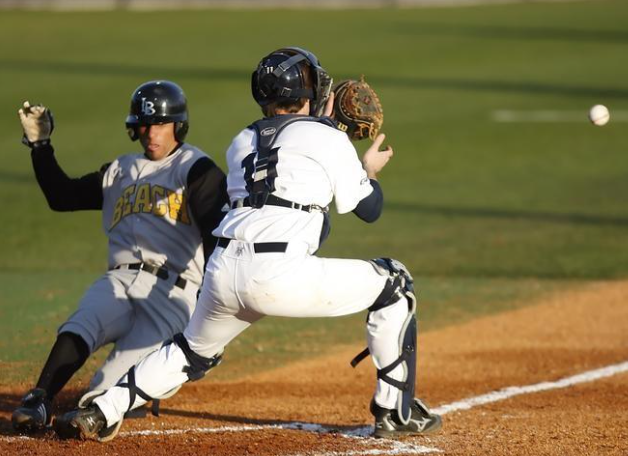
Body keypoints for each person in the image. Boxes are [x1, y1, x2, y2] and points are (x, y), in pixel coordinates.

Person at [53, 48, 442, 441]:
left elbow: (291, 190)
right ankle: (395, 410)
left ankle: (102, 409)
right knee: (394, 282)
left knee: (191, 351)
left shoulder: (242, 141)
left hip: (223, 269)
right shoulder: (329, 138)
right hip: (281, 273)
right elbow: (369, 209)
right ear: (309, 90)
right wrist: (366, 170)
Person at [12, 80, 229, 435]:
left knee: (102, 395)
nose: (151, 134)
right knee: (83, 322)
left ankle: (96, 410)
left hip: (171, 295)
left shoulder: (195, 168)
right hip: (119, 280)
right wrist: (40, 146)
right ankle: (39, 399)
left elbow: (215, 233)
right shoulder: (119, 170)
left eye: (160, 124)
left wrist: (211, 310)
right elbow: (61, 195)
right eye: (144, 126)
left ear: (178, 125)